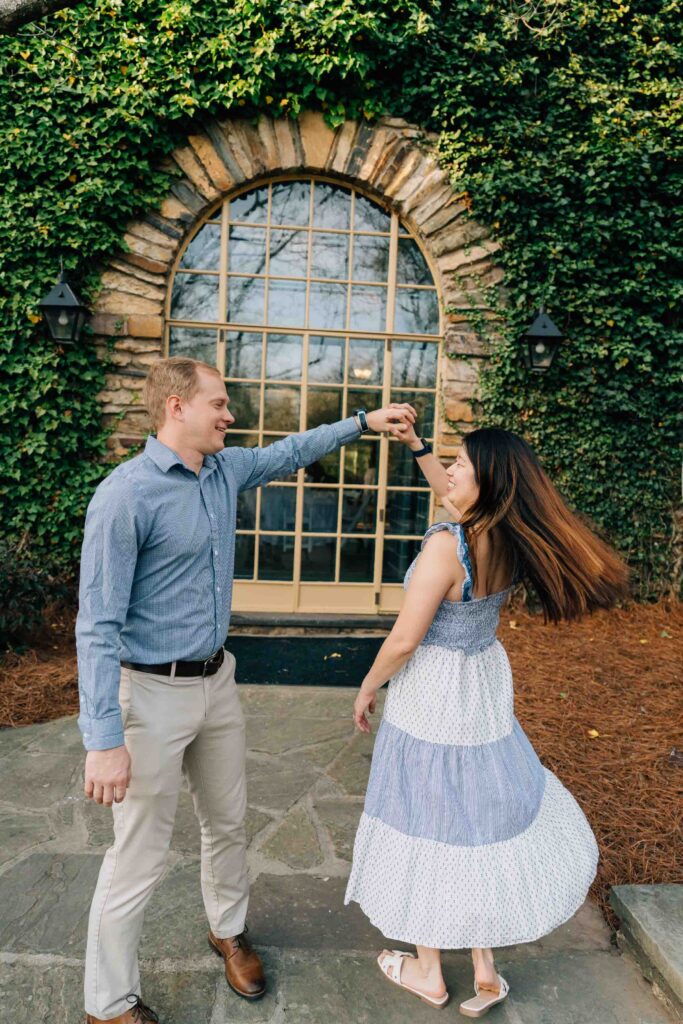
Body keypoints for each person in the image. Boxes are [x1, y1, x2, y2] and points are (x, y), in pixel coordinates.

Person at [77, 356, 416, 1024]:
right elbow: (97, 625)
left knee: (227, 823)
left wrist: (362, 422)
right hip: (147, 695)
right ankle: (107, 1002)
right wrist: (103, 740)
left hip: (217, 683)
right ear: (177, 407)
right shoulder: (125, 495)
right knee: (137, 855)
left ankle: (227, 930)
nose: (230, 415)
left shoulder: (225, 472)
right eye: (220, 403)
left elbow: (293, 450)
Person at [345, 423, 628, 1017]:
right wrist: (422, 451)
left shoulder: (447, 546)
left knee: (427, 812)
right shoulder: (506, 533)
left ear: (488, 482)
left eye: (461, 465)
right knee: (475, 813)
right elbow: (456, 498)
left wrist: (368, 686)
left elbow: (403, 640)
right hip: (481, 686)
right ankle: (484, 968)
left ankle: (428, 971)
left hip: (435, 690)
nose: (450, 471)